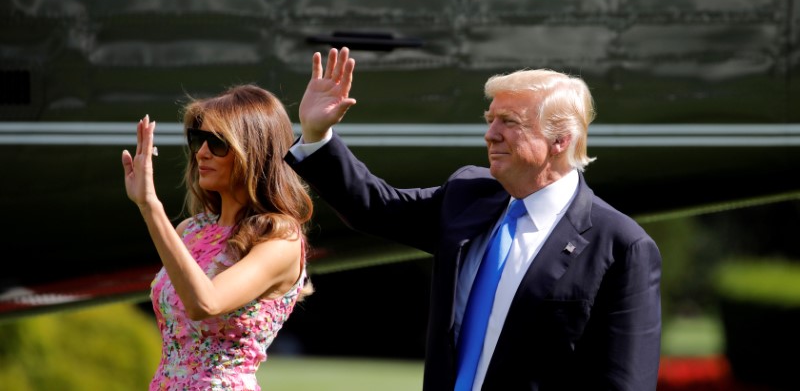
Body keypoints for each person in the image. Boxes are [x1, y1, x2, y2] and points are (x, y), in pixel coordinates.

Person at [285, 47, 662, 391]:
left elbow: (624, 382)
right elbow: (375, 207)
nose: (490, 134)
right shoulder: (469, 195)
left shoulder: (620, 245)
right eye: (490, 119)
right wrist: (318, 134)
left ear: (560, 140)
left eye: (508, 121)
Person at [122, 84, 314, 391]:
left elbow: (205, 303)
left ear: (252, 152)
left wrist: (150, 205)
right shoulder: (190, 230)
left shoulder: (280, 240)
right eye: (198, 139)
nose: (201, 152)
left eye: (217, 143)